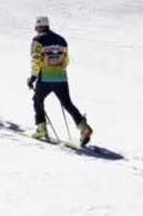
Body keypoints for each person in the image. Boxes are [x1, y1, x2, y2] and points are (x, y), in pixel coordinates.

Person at [27, 16, 93, 146]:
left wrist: (33, 77)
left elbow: (36, 59)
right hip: (61, 77)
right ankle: (84, 128)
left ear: (40, 26)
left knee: (37, 100)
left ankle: (41, 130)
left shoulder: (38, 40)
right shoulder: (62, 40)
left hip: (45, 77)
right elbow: (66, 60)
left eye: (36, 27)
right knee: (67, 103)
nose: (35, 29)